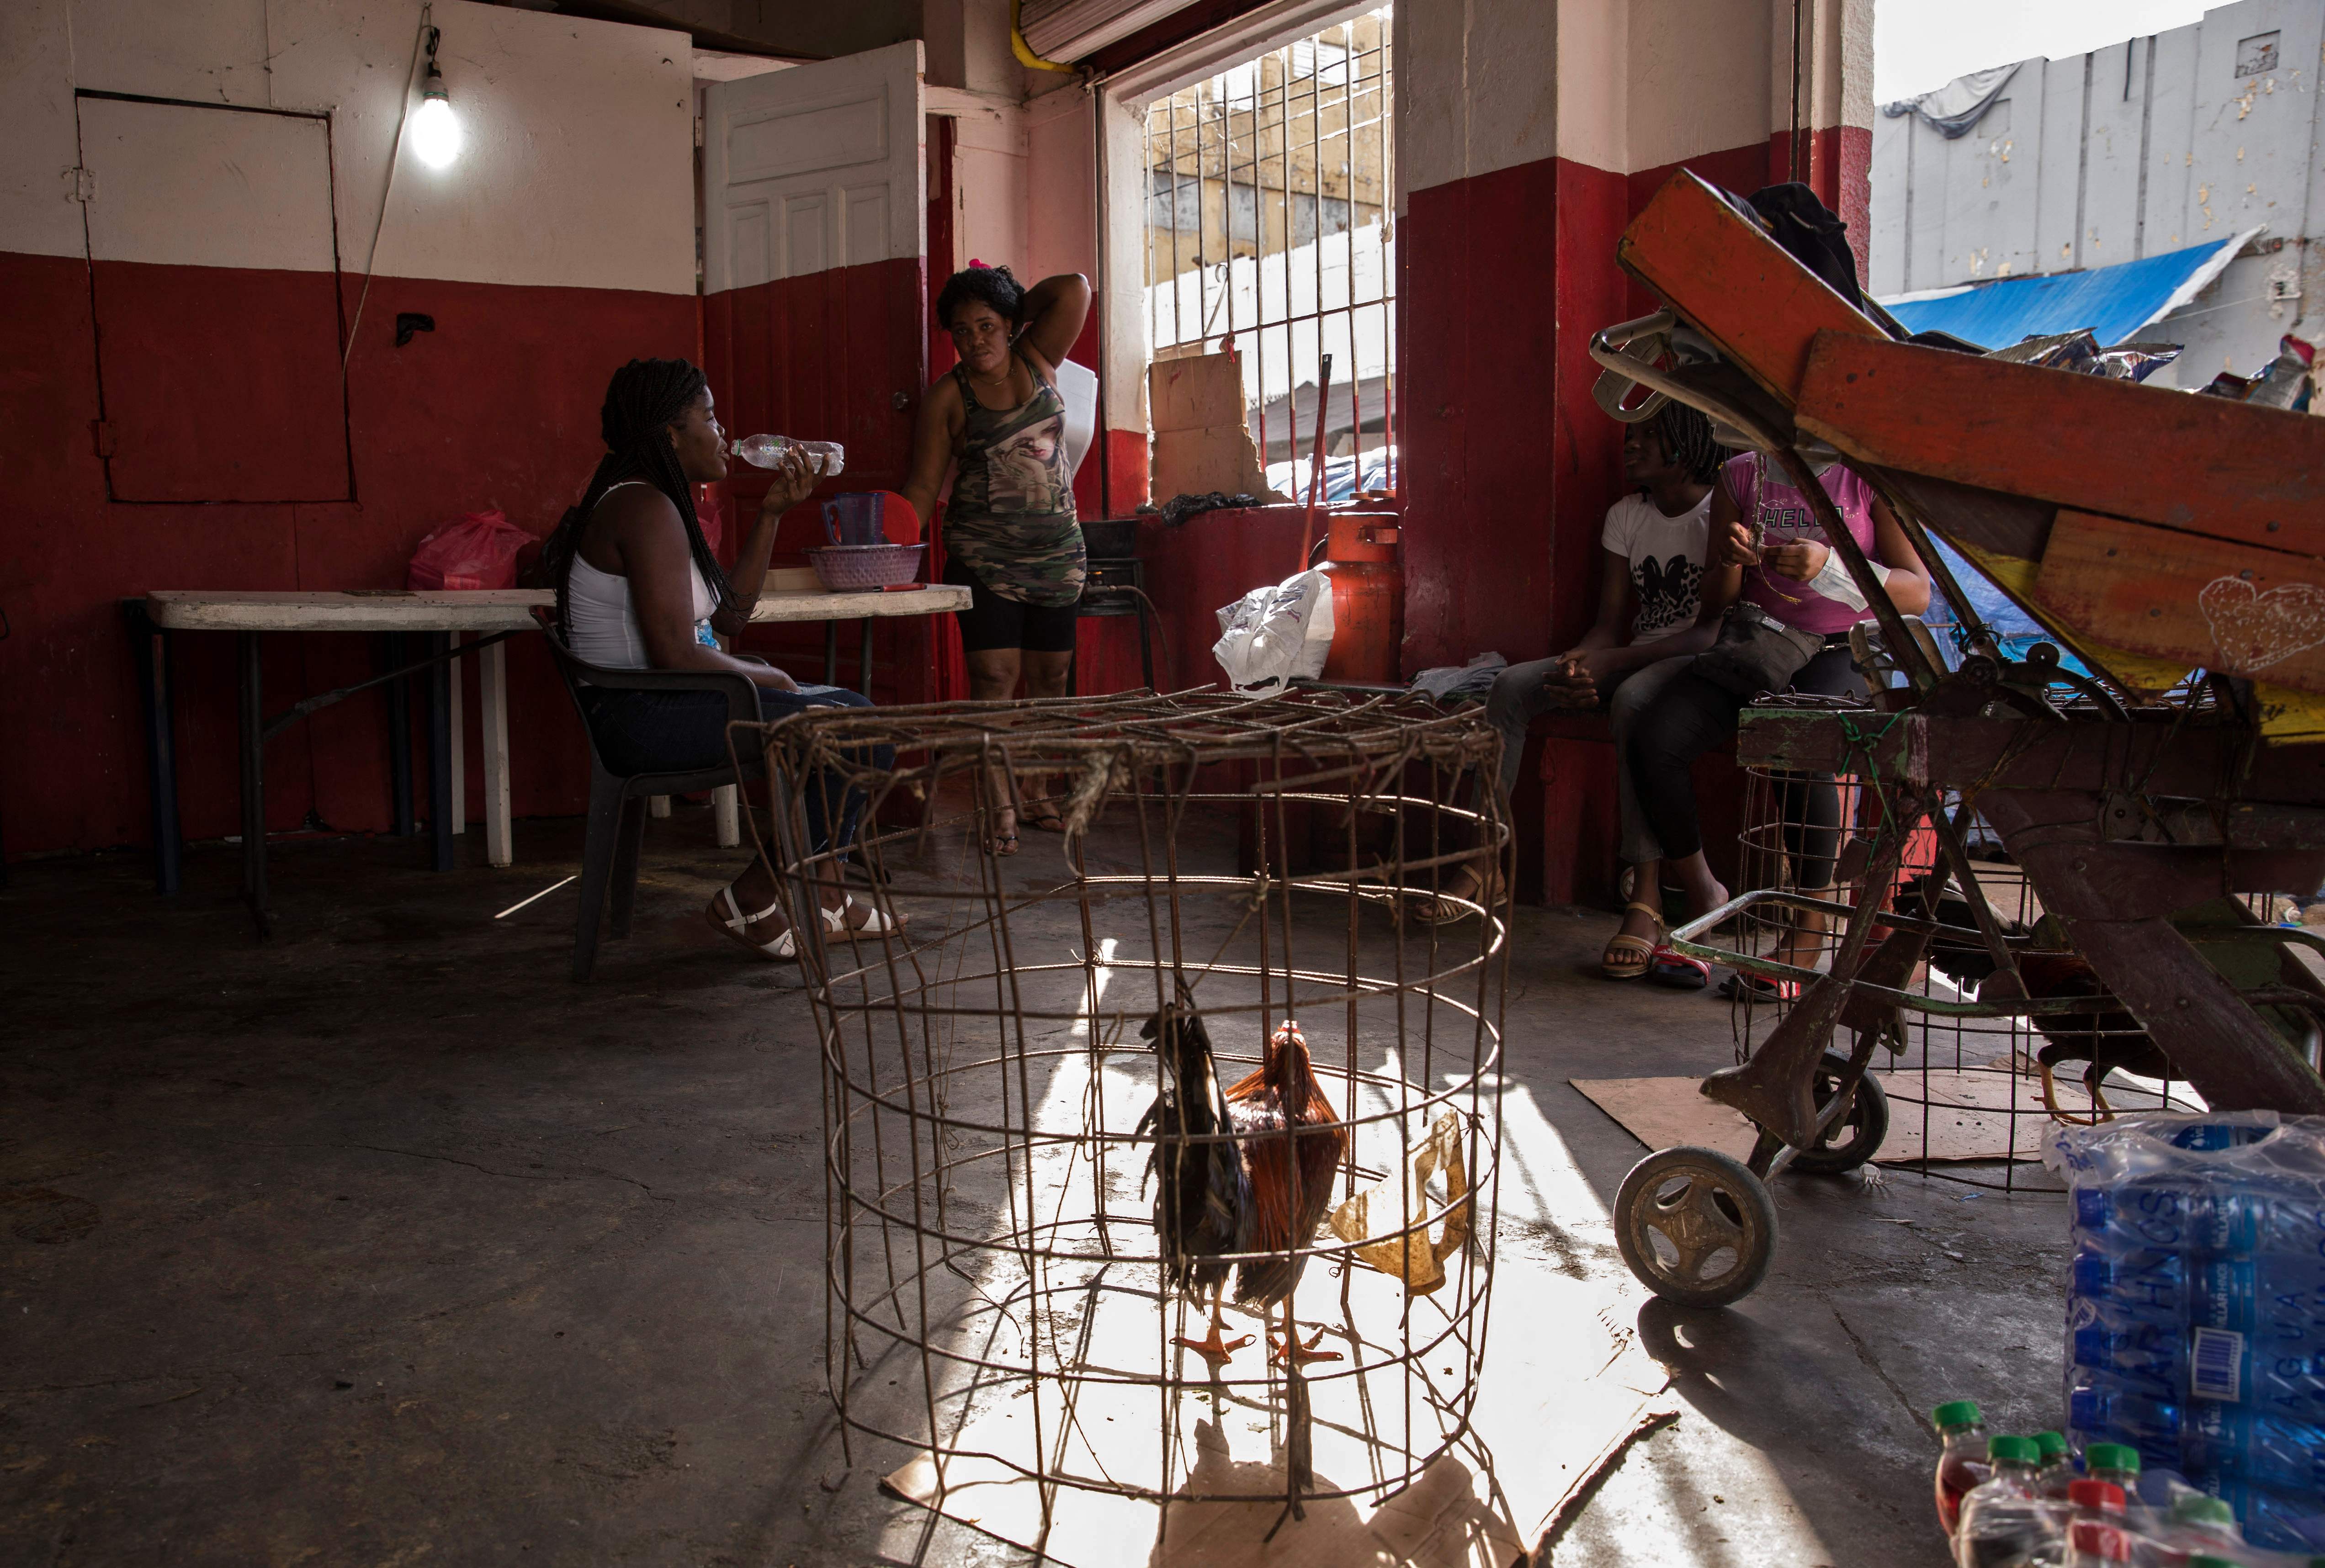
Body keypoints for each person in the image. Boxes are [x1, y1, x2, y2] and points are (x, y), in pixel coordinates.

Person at [539, 357, 898, 962]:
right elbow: (675, 653)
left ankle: (809, 893)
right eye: (708, 416)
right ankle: (764, 895)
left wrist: (772, 513)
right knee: (856, 729)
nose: (724, 432)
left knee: (853, 723)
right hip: (647, 719)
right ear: (669, 435)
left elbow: (729, 617)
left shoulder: (655, 503)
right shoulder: (644, 510)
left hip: (666, 705)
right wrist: (769, 676)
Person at [1420, 402, 1727, 973]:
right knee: (1512, 687)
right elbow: (1610, 621)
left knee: (1635, 704)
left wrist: (1612, 663)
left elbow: (1708, 636)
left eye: (1648, 437)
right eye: (1629, 436)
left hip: (1691, 663)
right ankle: (1484, 858)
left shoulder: (1718, 513)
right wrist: (1583, 663)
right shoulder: (1625, 515)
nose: (1629, 446)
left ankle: (1647, 897)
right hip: (1628, 652)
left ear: (1685, 446)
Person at [1623, 446, 1932, 992]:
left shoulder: (1867, 475)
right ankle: (1704, 897)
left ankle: (1806, 933)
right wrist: (1729, 560)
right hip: (1763, 639)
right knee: (1658, 737)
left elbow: (1917, 593)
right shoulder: (1742, 474)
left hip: (1848, 646)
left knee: (1800, 739)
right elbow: (1717, 606)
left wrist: (1830, 568)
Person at [900, 263, 1093, 855]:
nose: (975, 340)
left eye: (987, 326)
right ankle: (1000, 805)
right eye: (962, 331)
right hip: (985, 559)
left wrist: (1009, 302)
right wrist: (887, 552)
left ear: (1010, 326)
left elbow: (1074, 289)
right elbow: (921, 487)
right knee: (994, 678)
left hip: (1058, 555)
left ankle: (1036, 794)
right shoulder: (946, 398)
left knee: (1049, 681)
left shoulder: (1039, 360)